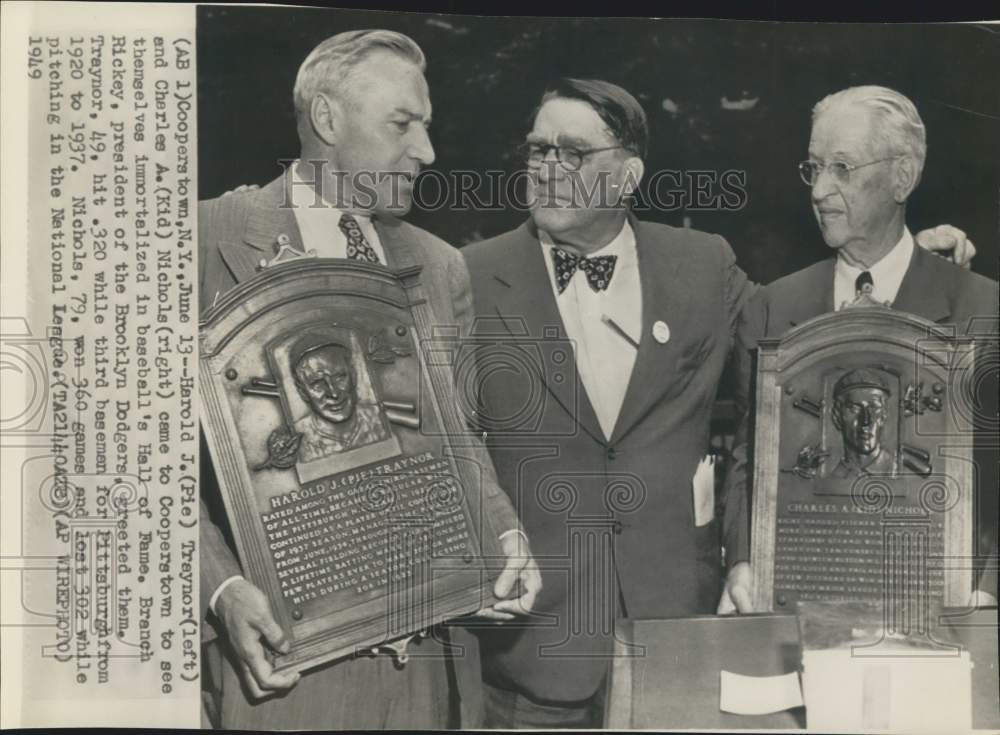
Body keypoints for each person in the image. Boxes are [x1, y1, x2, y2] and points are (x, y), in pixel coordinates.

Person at [461, 78, 977, 728]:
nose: (549, 169)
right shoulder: (471, 276)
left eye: (574, 152)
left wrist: (907, 265)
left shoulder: (700, 265)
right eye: (539, 151)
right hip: (530, 653)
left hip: (679, 634)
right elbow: (451, 442)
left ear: (628, 175)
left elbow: (804, 333)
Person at [198, 30, 541, 730]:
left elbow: (458, 439)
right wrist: (220, 588)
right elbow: (138, 469)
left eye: (428, 126)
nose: (428, 151)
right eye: (402, 124)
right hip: (286, 676)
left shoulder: (440, 265)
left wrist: (502, 534)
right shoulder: (203, 240)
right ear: (327, 120)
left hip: (431, 670)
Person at [724, 85, 998, 610]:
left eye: (842, 168)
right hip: (802, 604)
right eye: (813, 168)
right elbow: (747, 457)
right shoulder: (773, 305)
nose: (820, 190)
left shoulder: (983, 309)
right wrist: (742, 560)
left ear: (903, 176)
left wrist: (987, 589)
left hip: (946, 612)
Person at [288, 334, 389, 461]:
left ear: (353, 376)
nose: (333, 393)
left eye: (339, 377)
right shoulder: (293, 442)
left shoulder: (380, 419)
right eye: (318, 384)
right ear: (302, 392)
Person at [829, 368, 895, 478]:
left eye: (874, 408)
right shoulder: (831, 478)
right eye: (855, 409)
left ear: (884, 415)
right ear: (837, 416)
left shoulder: (897, 470)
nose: (865, 420)